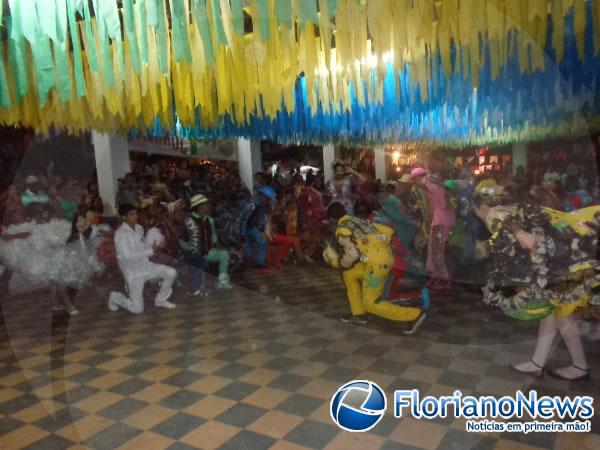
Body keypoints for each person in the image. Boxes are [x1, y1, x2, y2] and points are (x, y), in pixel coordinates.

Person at [473, 182, 600, 381]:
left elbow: (501, 217)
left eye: (477, 212)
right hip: (566, 262)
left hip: (562, 266)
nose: (480, 217)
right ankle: (538, 363)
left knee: (561, 315)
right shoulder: (518, 208)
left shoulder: (494, 213)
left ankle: (579, 366)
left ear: (481, 207)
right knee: (552, 313)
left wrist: (520, 234)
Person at [323, 202, 427, 332]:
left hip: (376, 263)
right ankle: (358, 314)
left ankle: (413, 315)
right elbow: (387, 232)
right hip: (376, 258)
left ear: (332, 219)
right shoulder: (358, 221)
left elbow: (352, 255)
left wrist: (334, 261)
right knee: (349, 275)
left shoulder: (342, 230)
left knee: (370, 302)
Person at [109, 204, 177, 314]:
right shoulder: (120, 234)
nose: (135, 216)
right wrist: (151, 251)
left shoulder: (139, 228)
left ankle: (160, 300)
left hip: (146, 267)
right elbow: (127, 257)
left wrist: (155, 247)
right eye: (132, 214)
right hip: (133, 273)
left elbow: (143, 247)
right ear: (124, 217)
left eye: (136, 213)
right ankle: (115, 297)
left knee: (171, 272)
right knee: (137, 309)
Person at [412, 168, 455, 289]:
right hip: (441, 222)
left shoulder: (431, 185)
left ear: (420, 177)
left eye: (414, 179)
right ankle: (436, 278)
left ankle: (444, 281)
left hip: (440, 223)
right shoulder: (436, 186)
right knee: (433, 251)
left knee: (436, 252)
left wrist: (423, 180)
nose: (414, 182)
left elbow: (425, 187)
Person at [180, 194, 232, 293]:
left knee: (224, 254)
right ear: (199, 207)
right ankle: (198, 286)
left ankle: (222, 282)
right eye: (206, 204)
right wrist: (189, 249)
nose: (208, 206)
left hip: (207, 252)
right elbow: (181, 239)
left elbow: (213, 236)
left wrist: (216, 243)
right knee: (199, 259)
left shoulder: (210, 220)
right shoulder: (189, 220)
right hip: (193, 254)